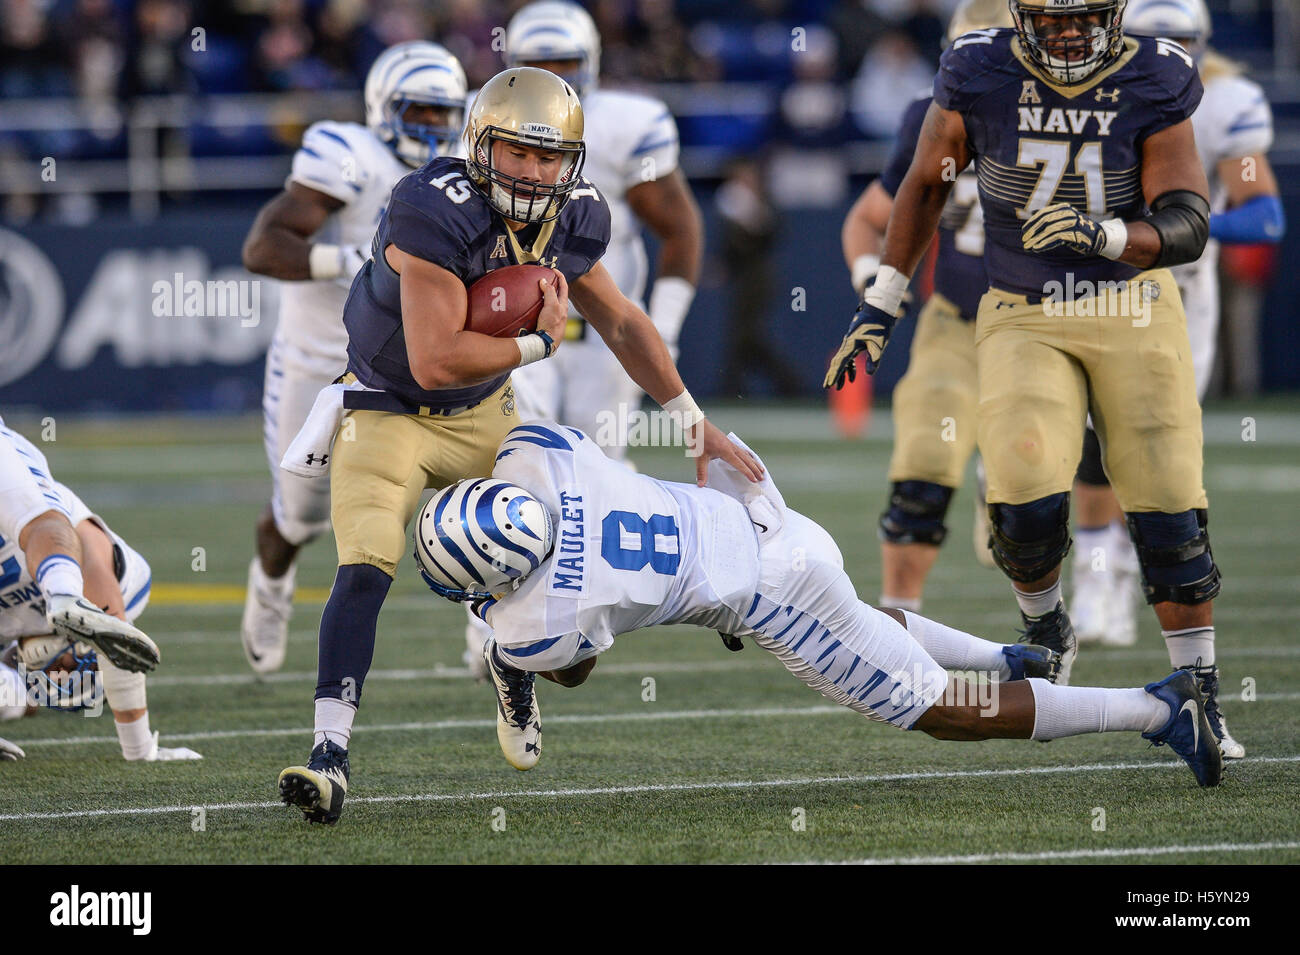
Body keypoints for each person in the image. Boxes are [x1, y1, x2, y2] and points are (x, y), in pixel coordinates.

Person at [276, 66, 763, 826]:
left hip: (483, 410)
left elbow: (625, 322)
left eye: (549, 159)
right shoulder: (431, 207)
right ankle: (329, 755)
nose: (535, 174)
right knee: (366, 561)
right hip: (387, 404)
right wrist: (541, 343)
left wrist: (696, 425)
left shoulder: (575, 216)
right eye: (518, 155)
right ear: (480, 147)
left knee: (575, 621)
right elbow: (435, 358)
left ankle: (514, 657)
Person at [824, 0, 1241, 757]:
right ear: (1020, 17)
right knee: (1018, 495)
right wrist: (880, 304)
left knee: (1170, 508)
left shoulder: (1155, 72)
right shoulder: (977, 69)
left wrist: (1108, 232)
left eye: (1085, 16)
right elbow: (922, 184)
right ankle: (1047, 625)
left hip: (1132, 300)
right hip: (1023, 305)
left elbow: (1188, 216)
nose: (1071, 32)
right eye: (1051, 19)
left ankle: (1201, 691)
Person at [413, 422, 1223, 791]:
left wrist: (501, 631)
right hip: (761, 513)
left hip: (767, 594)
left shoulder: (534, 622)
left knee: (936, 709)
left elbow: (578, 667)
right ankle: (1004, 655)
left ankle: (1154, 711)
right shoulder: (537, 455)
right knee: (859, 620)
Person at [458, 0, 705, 679]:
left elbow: (681, 227)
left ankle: (569, 613)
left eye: (566, 63)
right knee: (513, 462)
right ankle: (490, 622)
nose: (554, 76)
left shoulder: (628, 124)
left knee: (591, 473)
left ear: (592, 64)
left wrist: (669, 332)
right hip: (515, 318)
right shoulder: (486, 126)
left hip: (600, 322)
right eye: (540, 63)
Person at [239, 42, 468, 675]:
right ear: (382, 108)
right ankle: (271, 583)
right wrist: (352, 262)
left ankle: (490, 628)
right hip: (320, 360)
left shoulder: (471, 159)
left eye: (442, 111)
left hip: (408, 360)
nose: (431, 125)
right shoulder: (349, 152)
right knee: (300, 514)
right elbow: (264, 248)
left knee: (477, 483)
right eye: (416, 109)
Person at [1067, 0, 1286, 654]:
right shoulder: (1083, 90)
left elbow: (1266, 213)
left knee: (1159, 447)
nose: (1167, 54)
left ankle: (1130, 582)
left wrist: (1179, 231)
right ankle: (1092, 583)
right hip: (1098, 283)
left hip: (1178, 292)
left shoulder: (1225, 102)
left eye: (1180, 40)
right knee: (1090, 440)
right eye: (1148, 40)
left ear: (1202, 42)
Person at [841, 0, 1010, 614]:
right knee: (923, 462)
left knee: (1027, 507)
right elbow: (866, 219)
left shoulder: (1066, 119)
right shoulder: (929, 118)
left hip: (1045, 322)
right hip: (957, 319)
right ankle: (897, 620)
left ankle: (1054, 626)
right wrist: (873, 280)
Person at [0, 417, 198, 762]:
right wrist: (139, 749)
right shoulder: (123, 585)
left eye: (51, 673)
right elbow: (87, 548)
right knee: (41, 522)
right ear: (86, 647)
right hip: (33, 532)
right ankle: (64, 591)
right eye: (66, 666)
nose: (53, 667)